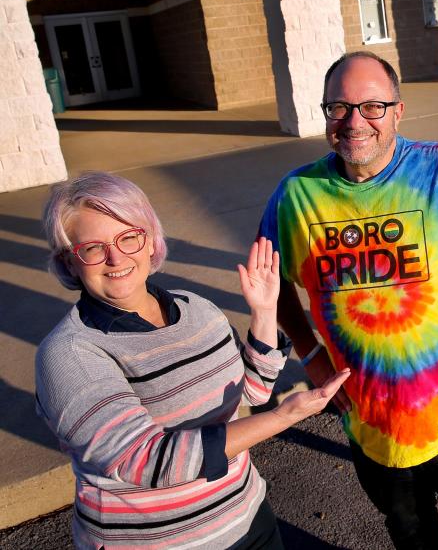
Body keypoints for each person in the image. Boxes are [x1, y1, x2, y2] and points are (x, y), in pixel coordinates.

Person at [259, 51, 438, 549]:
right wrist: (310, 355)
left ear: (399, 110)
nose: (355, 122)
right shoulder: (296, 195)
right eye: (339, 107)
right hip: (370, 423)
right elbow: (272, 285)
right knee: (412, 537)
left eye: (373, 106)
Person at [36, 172, 350, 549]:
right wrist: (284, 417)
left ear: (150, 241)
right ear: (69, 262)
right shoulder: (68, 354)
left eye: (128, 237)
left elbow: (250, 391)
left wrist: (265, 313)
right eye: (92, 248)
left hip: (246, 516)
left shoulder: (195, 308)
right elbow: (146, 460)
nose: (116, 257)